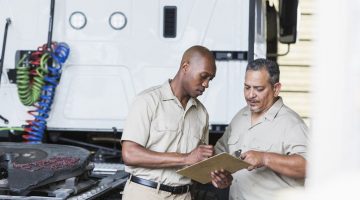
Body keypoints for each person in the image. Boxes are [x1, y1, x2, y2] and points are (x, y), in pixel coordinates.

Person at [121, 45, 233, 200]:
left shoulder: (201, 113)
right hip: (146, 193)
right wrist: (186, 158)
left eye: (210, 79)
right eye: (203, 76)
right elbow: (130, 154)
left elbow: (196, 165)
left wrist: (216, 177)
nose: (206, 84)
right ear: (185, 67)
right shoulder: (148, 101)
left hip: (184, 196)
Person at [215, 58, 309, 200]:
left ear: (276, 88)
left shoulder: (291, 123)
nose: (250, 95)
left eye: (258, 89)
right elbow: (220, 155)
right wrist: (222, 177)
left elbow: (308, 166)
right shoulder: (240, 117)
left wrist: (265, 158)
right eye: (247, 87)